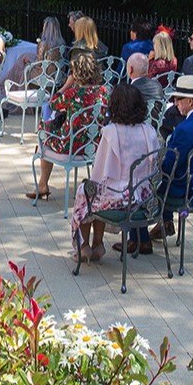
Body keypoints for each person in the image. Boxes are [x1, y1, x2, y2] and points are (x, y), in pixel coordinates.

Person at [135, 75, 193, 253]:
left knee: (141, 185)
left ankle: (140, 240)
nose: (175, 103)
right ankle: (166, 222)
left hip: (190, 192)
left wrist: (149, 165)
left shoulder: (185, 129)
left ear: (190, 101)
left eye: (177, 99)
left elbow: (168, 167)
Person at [72, 83, 157, 264]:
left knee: (86, 192)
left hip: (120, 198)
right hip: (144, 197)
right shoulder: (149, 130)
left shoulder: (111, 132)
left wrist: (89, 186)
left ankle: (85, 245)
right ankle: (97, 243)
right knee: (96, 193)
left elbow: (99, 172)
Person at [25, 51, 108, 200]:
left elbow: (52, 104)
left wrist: (66, 85)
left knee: (43, 129)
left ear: (76, 73)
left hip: (70, 145)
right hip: (94, 145)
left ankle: (43, 184)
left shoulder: (73, 94)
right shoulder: (103, 92)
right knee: (52, 130)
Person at [4, 16, 65, 88]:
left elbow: (38, 64)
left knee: (25, 68)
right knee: (25, 58)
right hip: (56, 74)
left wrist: (29, 61)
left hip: (44, 74)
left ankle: (18, 88)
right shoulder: (61, 43)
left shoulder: (43, 44)